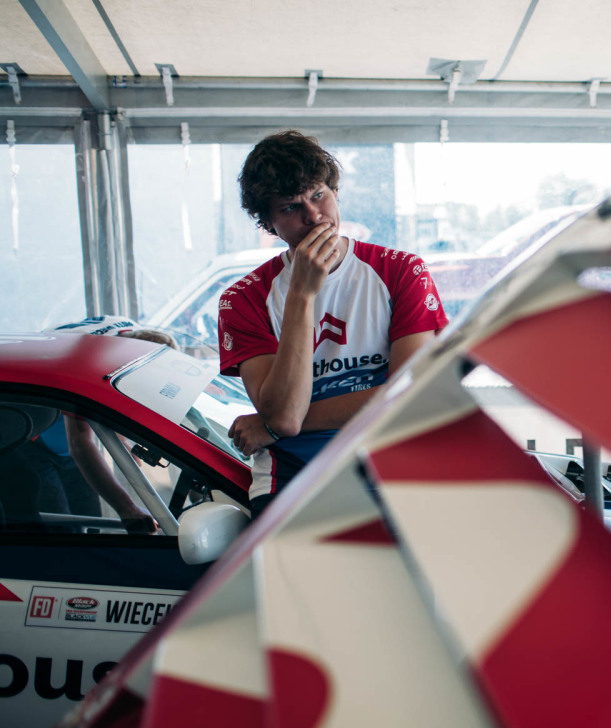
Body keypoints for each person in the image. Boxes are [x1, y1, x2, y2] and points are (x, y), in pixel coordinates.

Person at [219, 130, 447, 517]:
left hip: (392, 460)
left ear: (335, 192)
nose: (313, 216)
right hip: (292, 477)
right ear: (270, 223)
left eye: (318, 195)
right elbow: (283, 414)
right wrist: (302, 295)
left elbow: (410, 397)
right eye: (290, 208)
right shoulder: (243, 298)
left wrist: (271, 427)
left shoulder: (401, 270)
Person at [8, 317, 176, 533]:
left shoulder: (133, 337)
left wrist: (121, 439)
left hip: (56, 427)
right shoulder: (91, 362)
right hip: (23, 435)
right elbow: (79, 443)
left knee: (90, 522)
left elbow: (116, 395)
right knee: (61, 529)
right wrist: (126, 508)